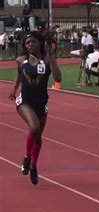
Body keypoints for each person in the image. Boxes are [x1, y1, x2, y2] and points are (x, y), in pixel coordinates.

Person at [8, 31, 62, 185]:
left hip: (41, 103)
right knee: (34, 126)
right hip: (24, 101)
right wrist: (14, 89)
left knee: (38, 137)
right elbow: (19, 75)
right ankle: (27, 156)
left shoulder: (46, 61)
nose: (30, 44)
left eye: (33, 42)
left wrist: (51, 57)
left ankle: (33, 166)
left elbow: (58, 79)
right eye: (27, 43)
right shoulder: (21, 60)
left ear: (40, 43)